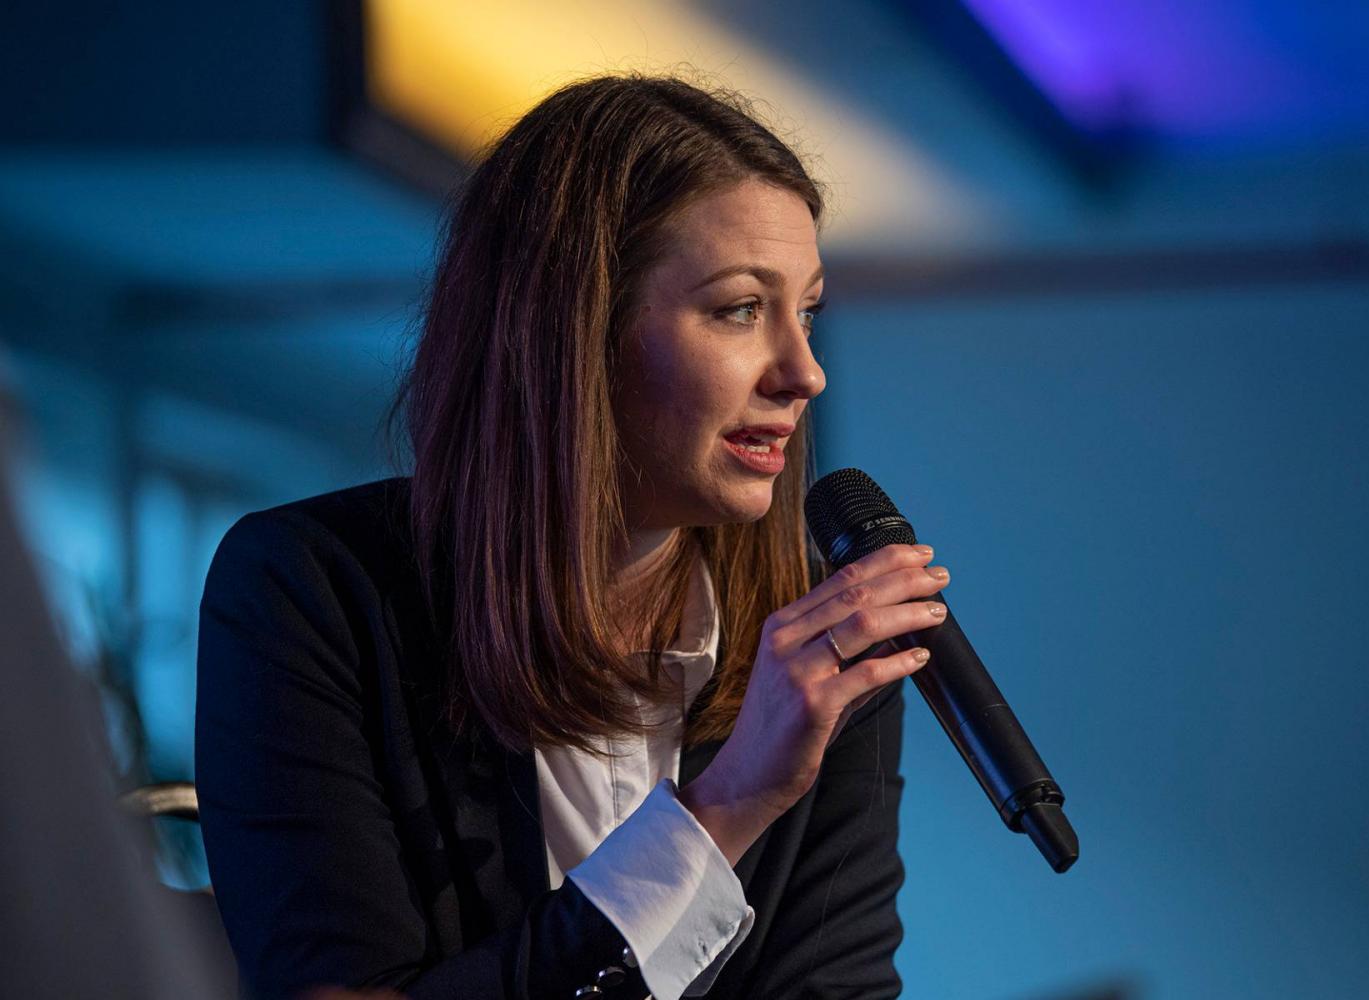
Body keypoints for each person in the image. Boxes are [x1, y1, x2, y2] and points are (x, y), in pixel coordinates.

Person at [195, 74, 952, 1000]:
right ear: (574, 329)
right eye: (740, 309)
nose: (804, 372)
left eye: (808, 312)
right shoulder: (311, 590)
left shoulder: (818, 647)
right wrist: (726, 807)